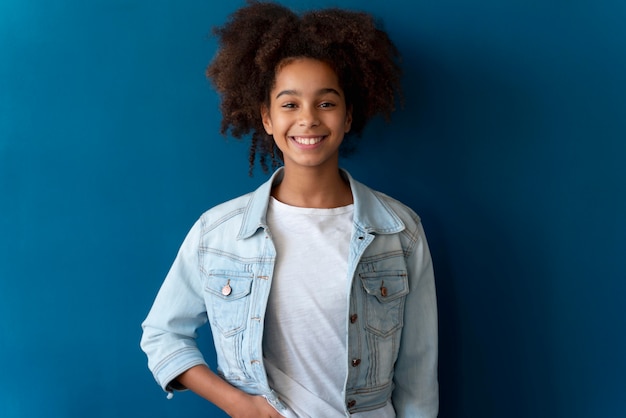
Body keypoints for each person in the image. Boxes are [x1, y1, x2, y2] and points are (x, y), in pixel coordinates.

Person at [140, 1, 438, 417]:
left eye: (326, 103)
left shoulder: (399, 230)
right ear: (266, 116)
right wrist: (242, 406)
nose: (309, 119)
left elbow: (419, 374)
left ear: (349, 115)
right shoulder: (219, 233)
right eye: (290, 104)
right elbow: (162, 334)